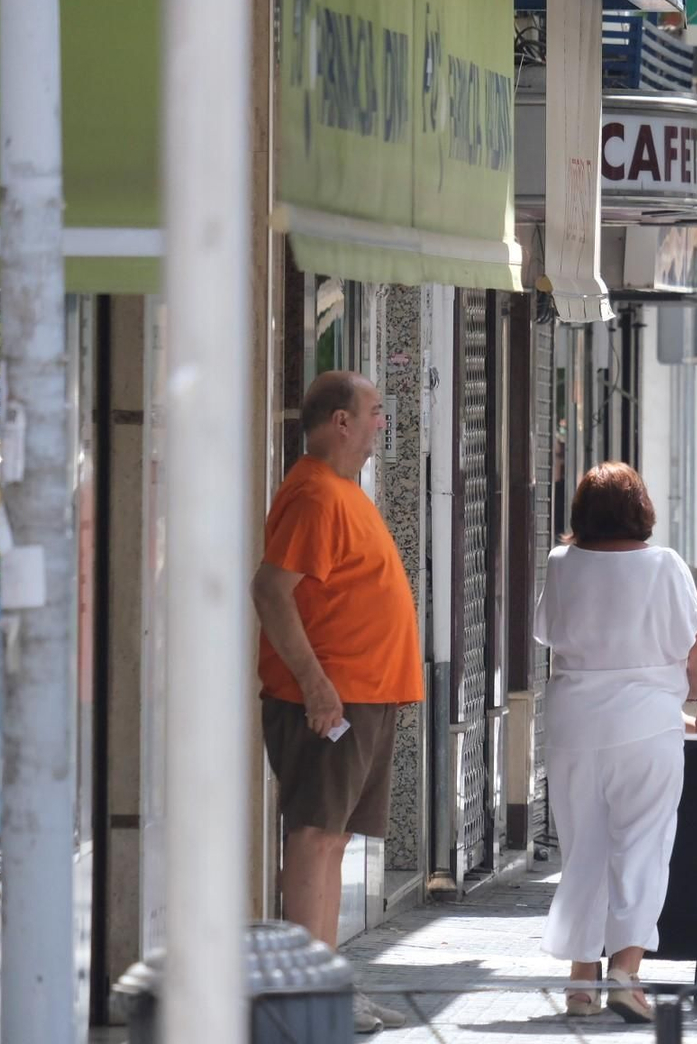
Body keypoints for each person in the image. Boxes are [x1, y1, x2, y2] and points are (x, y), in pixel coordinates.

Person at [251, 371, 420, 1033]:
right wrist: (316, 684)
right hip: (330, 699)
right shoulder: (315, 493)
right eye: (374, 411)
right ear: (340, 421)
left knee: (333, 837)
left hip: (363, 696)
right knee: (315, 835)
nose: (383, 423)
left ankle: (325, 987)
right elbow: (271, 589)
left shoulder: (342, 491)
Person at [533, 463, 697, 1024]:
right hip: (646, 726)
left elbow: (545, 633)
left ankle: (580, 982)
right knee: (641, 846)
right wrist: (681, 698)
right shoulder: (664, 565)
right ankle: (625, 974)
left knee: (582, 851)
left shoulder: (561, 563)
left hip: (573, 726)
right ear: (641, 508)